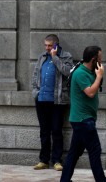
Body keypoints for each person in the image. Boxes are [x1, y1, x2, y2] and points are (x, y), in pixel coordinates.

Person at [60, 45, 106, 182]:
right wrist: (99, 77)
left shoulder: (89, 70)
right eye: (100, 58)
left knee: (74, 153)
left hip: (83, 119)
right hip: (83, 120)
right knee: (95, 151)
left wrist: (97, 75)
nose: (101, 61)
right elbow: (91, 92)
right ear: (93, 59)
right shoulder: (81, 73)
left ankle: (64, 180)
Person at [31, 34, 73, 171]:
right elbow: (36, 75)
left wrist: (55, 58)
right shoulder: (42, 57)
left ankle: (56, 160)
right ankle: (43, 160)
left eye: (50, 45)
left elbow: (67, 72)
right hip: (41, 100)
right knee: (44, 131)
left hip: (57, 101)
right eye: (45, 45)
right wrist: (35, 93)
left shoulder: (66, 56)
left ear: (56, 45)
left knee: (56, 131)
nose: (47, 48)